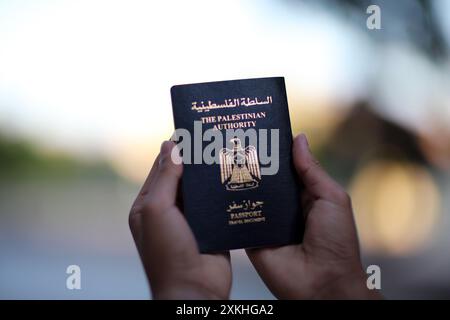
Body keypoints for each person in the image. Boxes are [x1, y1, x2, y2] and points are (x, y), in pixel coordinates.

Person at [129, 134, 382, 299]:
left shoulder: (245, 153)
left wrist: (188, 290)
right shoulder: (229, 156)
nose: (236, 147)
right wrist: (336, 285)